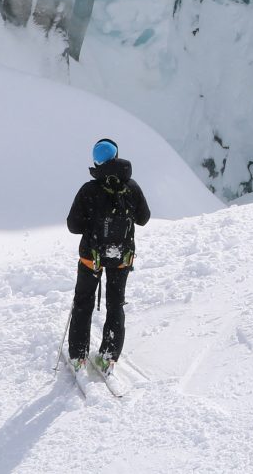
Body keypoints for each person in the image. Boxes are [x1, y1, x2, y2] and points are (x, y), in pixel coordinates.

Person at [65, 137, 150, 373]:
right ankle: (108, 356)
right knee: (115, 304)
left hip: (91, 257)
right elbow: (144, 218)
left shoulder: (89, 189)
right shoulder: (131, 187)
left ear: (97, 161)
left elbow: (73, 225)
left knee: (83, 302)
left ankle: (78, 356)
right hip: (121, 257)